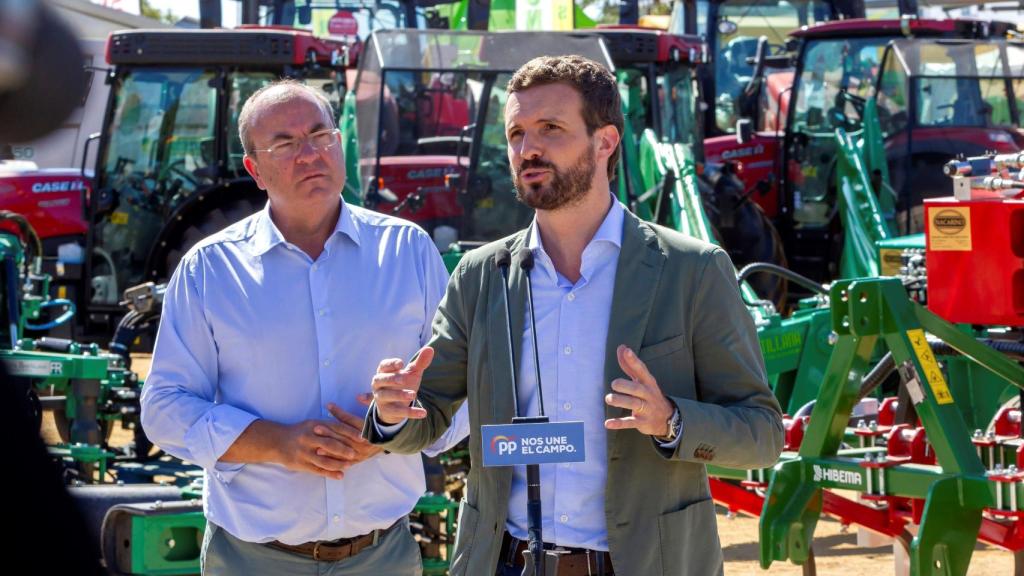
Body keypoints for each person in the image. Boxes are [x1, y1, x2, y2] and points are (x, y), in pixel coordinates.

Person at [366, 55, 784, 576]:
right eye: (516, 132)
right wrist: (391, 411)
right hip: (505, 562)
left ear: (605, 142)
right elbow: (427, 418)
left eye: (551, 129)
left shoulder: (690, 271)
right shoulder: (479, 276)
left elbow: (764, 434)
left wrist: (671, 421)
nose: (527, 148)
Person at [141, 79, 466, 575]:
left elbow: (457, 395)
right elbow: (164, 409)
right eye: (286, 143)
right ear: (255, 169)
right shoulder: (210, 269)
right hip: (252, 559)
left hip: (382, 556)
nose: (310, 154)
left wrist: (391, 430)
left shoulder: (409, 252)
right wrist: (277, 443)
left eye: (320, 135)